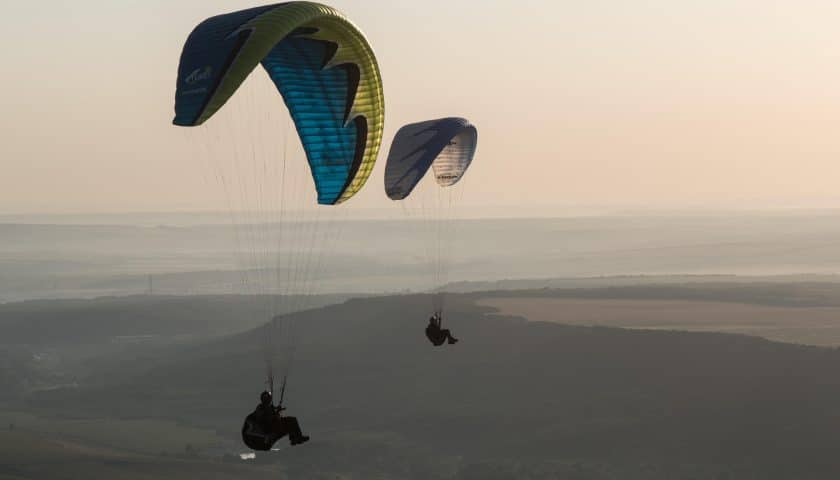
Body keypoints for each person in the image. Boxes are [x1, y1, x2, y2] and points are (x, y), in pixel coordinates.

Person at [242, 391, 309, 450]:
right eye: (267, 398)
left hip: (266, 439)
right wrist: (265, 436)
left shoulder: (266, 409)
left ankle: (295, 439)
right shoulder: (259, 412)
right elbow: (262, 423)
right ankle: (296, 439)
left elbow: (270, 418)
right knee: (291, 422)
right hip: (263, 440)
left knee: (291, 422)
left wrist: (276, 412)